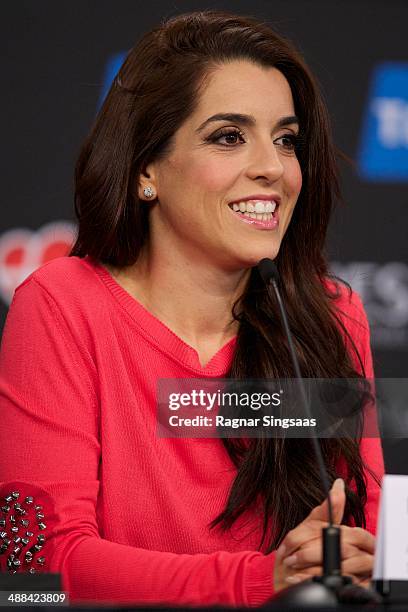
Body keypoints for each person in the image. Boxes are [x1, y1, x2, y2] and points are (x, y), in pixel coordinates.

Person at [0, 10, 384, 607]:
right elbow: (37, 568)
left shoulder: (329, 315)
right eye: (229, 136)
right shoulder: (64, 302)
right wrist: (262, 581)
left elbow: (367, 539)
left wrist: (352, 559)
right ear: (146, 168)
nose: (272, 168)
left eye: (286, 140)